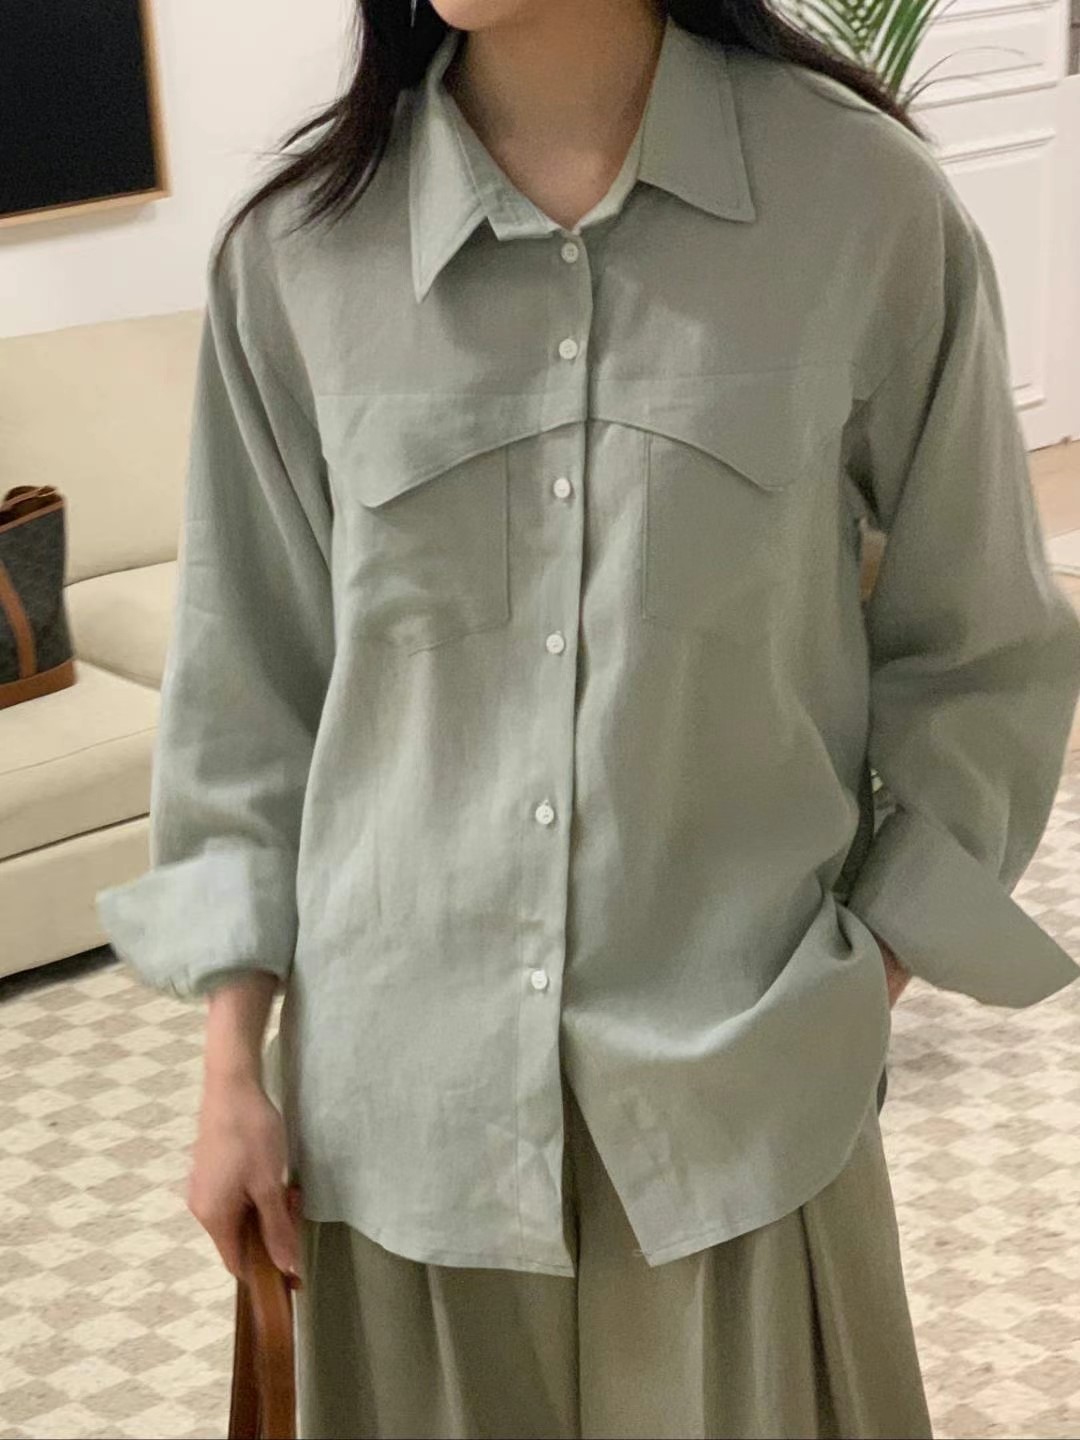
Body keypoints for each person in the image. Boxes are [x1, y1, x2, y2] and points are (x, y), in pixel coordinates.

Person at [96, 1, 1080, 1436]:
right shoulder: (299, 253)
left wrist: (859, 980)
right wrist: (230, 1067)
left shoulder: (862, 204)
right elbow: (248, 691)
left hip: (741, 1111)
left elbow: (980, 647)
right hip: (401, 1130)